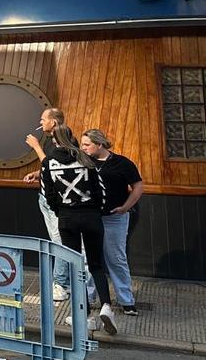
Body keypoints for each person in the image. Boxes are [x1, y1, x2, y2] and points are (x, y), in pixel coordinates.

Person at [41, 124, 116, 335]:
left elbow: (48, 194)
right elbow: (100, 189)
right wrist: (96, 210)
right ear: (72, 138)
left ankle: (82, 313)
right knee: (96, 264)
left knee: (75, 266)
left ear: (54, 141)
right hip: (91, 216)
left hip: (67, 218)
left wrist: (61, 212)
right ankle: (106, 307)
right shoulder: (85, 159)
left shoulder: (48, 162)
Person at [81, 129, 143, 317]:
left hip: (114, 218)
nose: (82, 148)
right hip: (90, 216)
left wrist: (126, 207)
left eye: (86, 144)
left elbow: (138, 186)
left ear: (99, 144)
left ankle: (126, 300)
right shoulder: (83, 162)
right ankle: (87, 298)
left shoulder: (121, 163)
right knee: (88, 259)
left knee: (116, 258)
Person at [22, 107, 73, 301]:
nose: (41, 121)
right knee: (56, 240)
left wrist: (36, 147)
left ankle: (61, 284)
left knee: (59, 241)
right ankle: (61, 282)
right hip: (45, 197)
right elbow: (49, 165)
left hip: (56, 202)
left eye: (44, 119)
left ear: (54, 122)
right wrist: (37, 174)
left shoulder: (64, 142)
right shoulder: (51, 142)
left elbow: (54, 167)